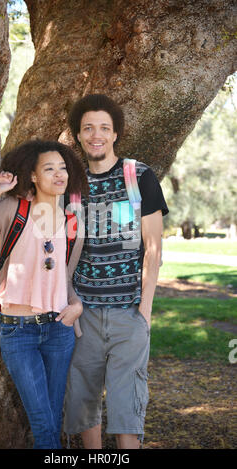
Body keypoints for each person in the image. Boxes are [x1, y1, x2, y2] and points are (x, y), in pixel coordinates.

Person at [0, 139, 89, 449]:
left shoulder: (72, 221)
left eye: (63, 168)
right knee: (43, 421)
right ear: (32, 176)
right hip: (18, 331)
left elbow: (65, 278)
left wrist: (77, 304)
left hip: (59, 329)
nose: (59, 175)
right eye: (50, 169)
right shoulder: (13, 208)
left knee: (53, 417)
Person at [63, 94, 169, 449]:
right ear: (78, 135)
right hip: (84, 316)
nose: (97, 135)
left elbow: (153, 251)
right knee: (82, 400)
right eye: (88, 128)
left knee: (128, 404)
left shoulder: (139, 177)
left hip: (129, 313)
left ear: (115, 134)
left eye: (104, 128)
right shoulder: (70, 185)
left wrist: (145, 313)